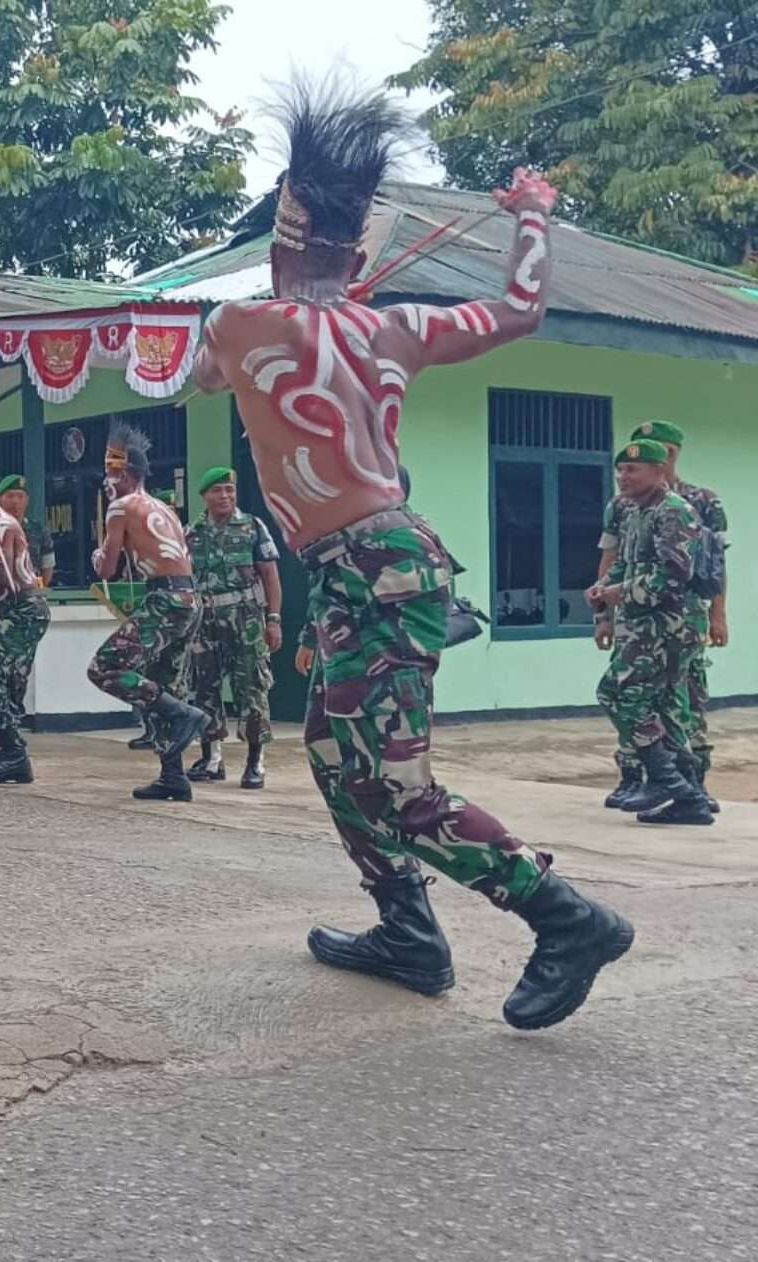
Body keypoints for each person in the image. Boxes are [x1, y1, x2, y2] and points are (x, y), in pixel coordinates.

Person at [188, 80, 631, 1030]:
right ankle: (408, 932)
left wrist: (318, 293)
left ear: (281, 240)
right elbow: (517, 310)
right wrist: (532, 218)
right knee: (328, 754)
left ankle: (565, 918)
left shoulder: (236, 326)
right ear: (357, 251)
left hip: (375, 571)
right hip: (371, 568)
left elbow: (193, 375)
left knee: (400, 785)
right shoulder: (398, 324)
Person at [594, 418, 727, 813]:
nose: (623, 476)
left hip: (672, 626)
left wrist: (621, 592)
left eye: (632, 469)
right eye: (620, 469)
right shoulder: (635, 511)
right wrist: (603, 593)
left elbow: (673, 577)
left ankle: (668, 780)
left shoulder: (675, 511)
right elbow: (622, 563)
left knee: (618, 693)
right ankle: (689, 799)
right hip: (643, 624)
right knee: (667, 708)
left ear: (660, 469)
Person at [85, 424, 207, 801]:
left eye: (109, 472)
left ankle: (185, 715)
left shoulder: (120, 507)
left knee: (104, 668)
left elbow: (107, 569)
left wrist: (97, 555)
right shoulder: (164, 507)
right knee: (163, 684)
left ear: (121, 474)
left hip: (163, 599)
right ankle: (173, 776)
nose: (106, 480)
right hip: (189, 599)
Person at [183, 466, 283, 789]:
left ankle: (255, 762)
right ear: (204, 496)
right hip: (206, 621)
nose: (225, 496)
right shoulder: (192, 533)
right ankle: (211, 759)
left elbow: (270, 575)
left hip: (246, 619)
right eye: (217, 491)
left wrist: (274, 619)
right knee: (204, 689)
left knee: (252, 689)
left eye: (229, 489)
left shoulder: (252, 527)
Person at [0, 465, 49, 786]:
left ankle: (13, 751)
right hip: (9, 612)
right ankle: (10, 751)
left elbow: (0, 574)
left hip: (24, 610)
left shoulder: (0, 524)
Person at [0, 475, 54, 588]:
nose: (15, 501)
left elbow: (47, 567)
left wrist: (38, 589)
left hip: (30, 594)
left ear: (27, 500)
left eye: (20, 496)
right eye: (10, 496)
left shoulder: (39, 531)